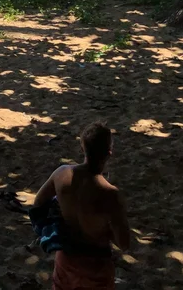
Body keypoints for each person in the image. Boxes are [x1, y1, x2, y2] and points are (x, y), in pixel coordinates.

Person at [32, 123, 130, 289]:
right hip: (95, 265)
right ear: (109, 153)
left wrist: (59, 217)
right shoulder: (110, 194)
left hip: (66, 258)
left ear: (83, 147)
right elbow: (124, 243)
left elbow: (38, 204)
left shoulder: (61, 173)